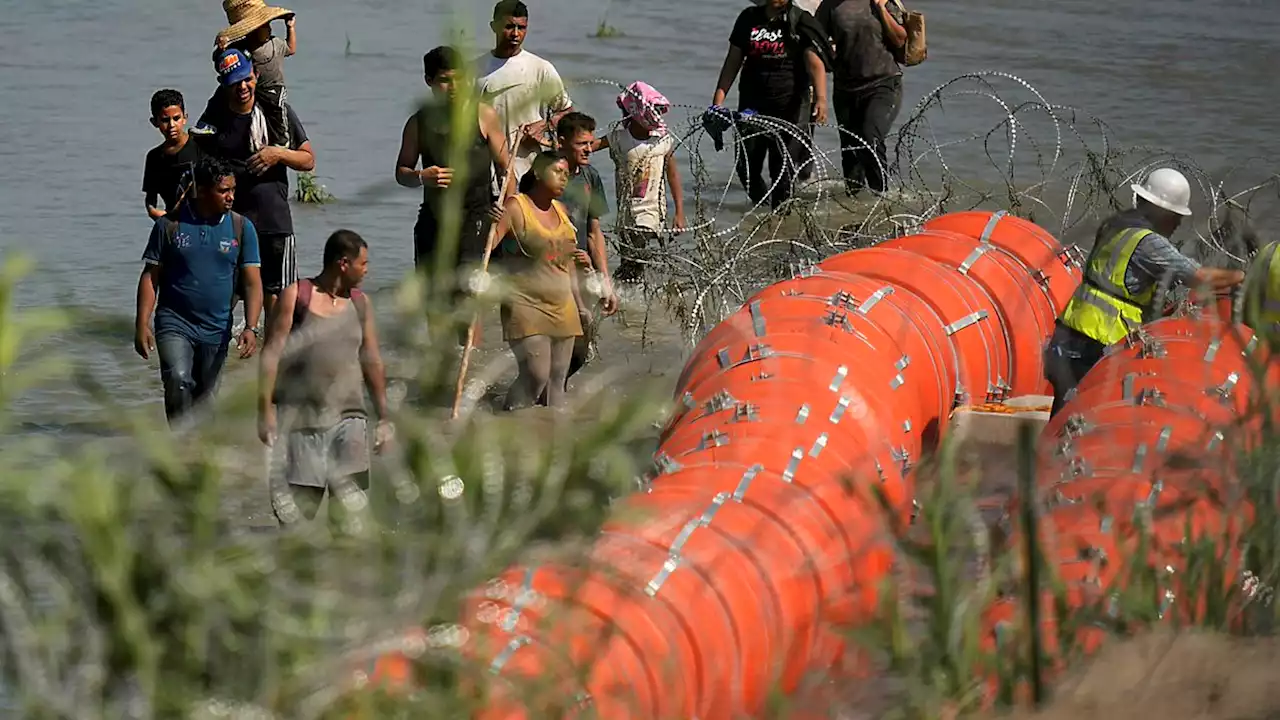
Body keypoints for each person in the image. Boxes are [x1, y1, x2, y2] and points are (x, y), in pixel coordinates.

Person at [1044, 168, 1245, 416]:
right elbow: (1198, 277)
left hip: (1067, 337)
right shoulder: (1148, 242)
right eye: (1176, 215)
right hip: (1094, 345)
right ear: (1162, 212)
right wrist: (1242, 277)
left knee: (1063, 422)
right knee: (1087, 421)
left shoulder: (1115, 228)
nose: (1179, 222)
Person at [257, 230, 392, 527]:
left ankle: (344, 571)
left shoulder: (361, 304)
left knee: (348, 518)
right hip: (303, 421)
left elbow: (372, 361)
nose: (367, 270)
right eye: (363, 263)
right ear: (343, 263)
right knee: (297, 518)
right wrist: (264, 409)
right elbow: (271, 354)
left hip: (351, 421)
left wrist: (384, 417)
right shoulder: (297, 296)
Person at [134, 157, 264, 426]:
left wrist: (251, 327)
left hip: (216, 327)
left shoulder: (242, 228)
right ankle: (179, 444)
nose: (230, 197)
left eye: (233, 190)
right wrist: (141, 322)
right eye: (223, 190)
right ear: (202, 190)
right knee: (179, 380)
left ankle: (196, 455)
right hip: (174, 322)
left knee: (206, 400)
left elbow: (253, 283)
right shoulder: (169, 226)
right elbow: (150, 276)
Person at [395, 45, 510, 344]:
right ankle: (440, 370)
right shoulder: (419, 123)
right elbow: (401, 173)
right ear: (429, 81)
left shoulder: (483, 116)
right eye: (446, 80)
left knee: (469, 302)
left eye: (460, 79)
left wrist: (505, 211)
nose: (454, 87)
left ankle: (468, 370)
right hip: (433, 223)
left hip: (476, 220)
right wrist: (423, 176)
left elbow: (506, 170)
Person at [193, 48, 316, 323]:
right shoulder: (215, 119)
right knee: (224, 293)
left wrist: (278, 153)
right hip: (232, 223)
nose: (243, 87)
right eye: (235, 83)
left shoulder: (275, 113)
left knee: (279, 297)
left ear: (257, 74)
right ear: (224, 85)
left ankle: (272, 360)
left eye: (247, 79)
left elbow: (308, 160)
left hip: (275, 222)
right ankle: (222, 359)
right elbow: (197, 168)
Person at [489, 151, 588, 410]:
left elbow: (567, 264)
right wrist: (489, 225)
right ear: (538, 172)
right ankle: (508, 421)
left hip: (562, 304)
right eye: (558, 172)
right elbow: (486, 253)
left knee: (557, 382)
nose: (564, 179)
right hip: (525, 302)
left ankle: (553, 438)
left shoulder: (561, 210)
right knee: (536, 375)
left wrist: (581, 305)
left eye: (566, 174)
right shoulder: (515, 206)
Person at [712, 0, 831, 209]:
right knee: (747, 169)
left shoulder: (800, 20)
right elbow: (733, 61)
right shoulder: (748, 18)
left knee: (782, 170)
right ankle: (763, 212)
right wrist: (718, 102)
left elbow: (815, 63)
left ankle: (780, 219)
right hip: (752, 104)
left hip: (790, 106)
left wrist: (821, 99)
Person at [475, 0, 575, 188]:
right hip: (484, 176)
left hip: (529, 173)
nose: (515, 34)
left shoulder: (540, 68)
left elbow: (567, 112)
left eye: (521, 28)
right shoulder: (475, 69)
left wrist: (543, 126)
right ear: (493, 26)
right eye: (509, 26)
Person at [596, 81, 687, 283]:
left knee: (640, 245)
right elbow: (587, 148)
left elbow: (673, 176)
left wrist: (679, 212)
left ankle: (619, 289)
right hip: (626, 213)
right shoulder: (618, 138)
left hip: (653, 210)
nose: (656, 116)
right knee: (629, 261)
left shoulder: (662, 141)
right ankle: (626, 296)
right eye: (651, 110)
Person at [550, 111, 616, 391]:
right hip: (551, 270)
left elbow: (594, 232)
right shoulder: (548, 175)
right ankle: (541, 404)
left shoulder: (590, 176)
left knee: (581, 349)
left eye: (590, 143)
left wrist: (605, 281)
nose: (589, 149)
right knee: (557, 345)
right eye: (581, 144)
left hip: (581, 267)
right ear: (561, 143)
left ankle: (547, 400)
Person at [816, 0, 907, 196]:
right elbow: (815, 42)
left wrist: (882, 10)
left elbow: (901, 39)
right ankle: (853, 207)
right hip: (845, 89)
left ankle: (881, 198)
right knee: (851, 154)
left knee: (870, 137)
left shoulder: (883, 2)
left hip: (883, 83)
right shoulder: (830, 6)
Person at [206, 0, 298, 148]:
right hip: (250, 87)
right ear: (251, 30)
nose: (268, 29)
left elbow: (291, 48)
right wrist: (221, 49)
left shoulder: (275, 43)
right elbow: (221, 62)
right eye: (264, 26)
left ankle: (281, 140)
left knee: (277, 111)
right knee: (220, 94)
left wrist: (290, 28)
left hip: (272, 87)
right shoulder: (240, 47)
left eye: (268, 25)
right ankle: (207, 122)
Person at [143, 89, 204, 219]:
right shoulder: (154, 158)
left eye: (176, 118)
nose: (172, 125)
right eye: (165, 120)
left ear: (185, 118)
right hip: (173, 223)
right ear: (155, 122)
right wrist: (155, 213)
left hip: (203, 220)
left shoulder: (201, 147)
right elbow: (150, 199)